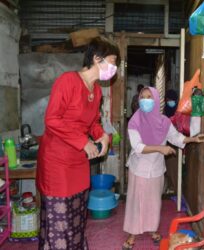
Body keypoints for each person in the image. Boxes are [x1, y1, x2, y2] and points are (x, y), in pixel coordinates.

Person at [36, 37, 120, 250]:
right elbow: (52, 119)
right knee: (60, 218)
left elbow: (93, 122)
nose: (114, 68)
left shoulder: (97, 90)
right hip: (58, 163)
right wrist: (84, 142)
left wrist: (102, 136)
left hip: (78, 162)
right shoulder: (68, 81)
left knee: (77, 216)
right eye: (112, 61)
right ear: (96, 58)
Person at [122, 87, 204, 249]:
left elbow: (175, 138)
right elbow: (138, 146)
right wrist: (161, 148)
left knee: (154, 203)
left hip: (157, 169)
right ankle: (132, 234)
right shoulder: (135, 121)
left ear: (155, 100)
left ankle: (152, 230)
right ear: (139, 100)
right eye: (142, 97)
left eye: (149, 97)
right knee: (137, 202)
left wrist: (193, 139)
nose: (146, 100)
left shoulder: (164, 121)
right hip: (139, 168)